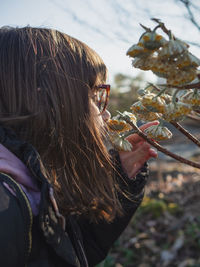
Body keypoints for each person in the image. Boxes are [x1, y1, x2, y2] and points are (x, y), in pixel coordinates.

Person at [0, 26, 158, 267]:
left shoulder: (30, 182)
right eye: (96, 96)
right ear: (50, 98)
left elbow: (67, 253)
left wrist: (119, 179)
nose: (105, 115)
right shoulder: (6, 209)